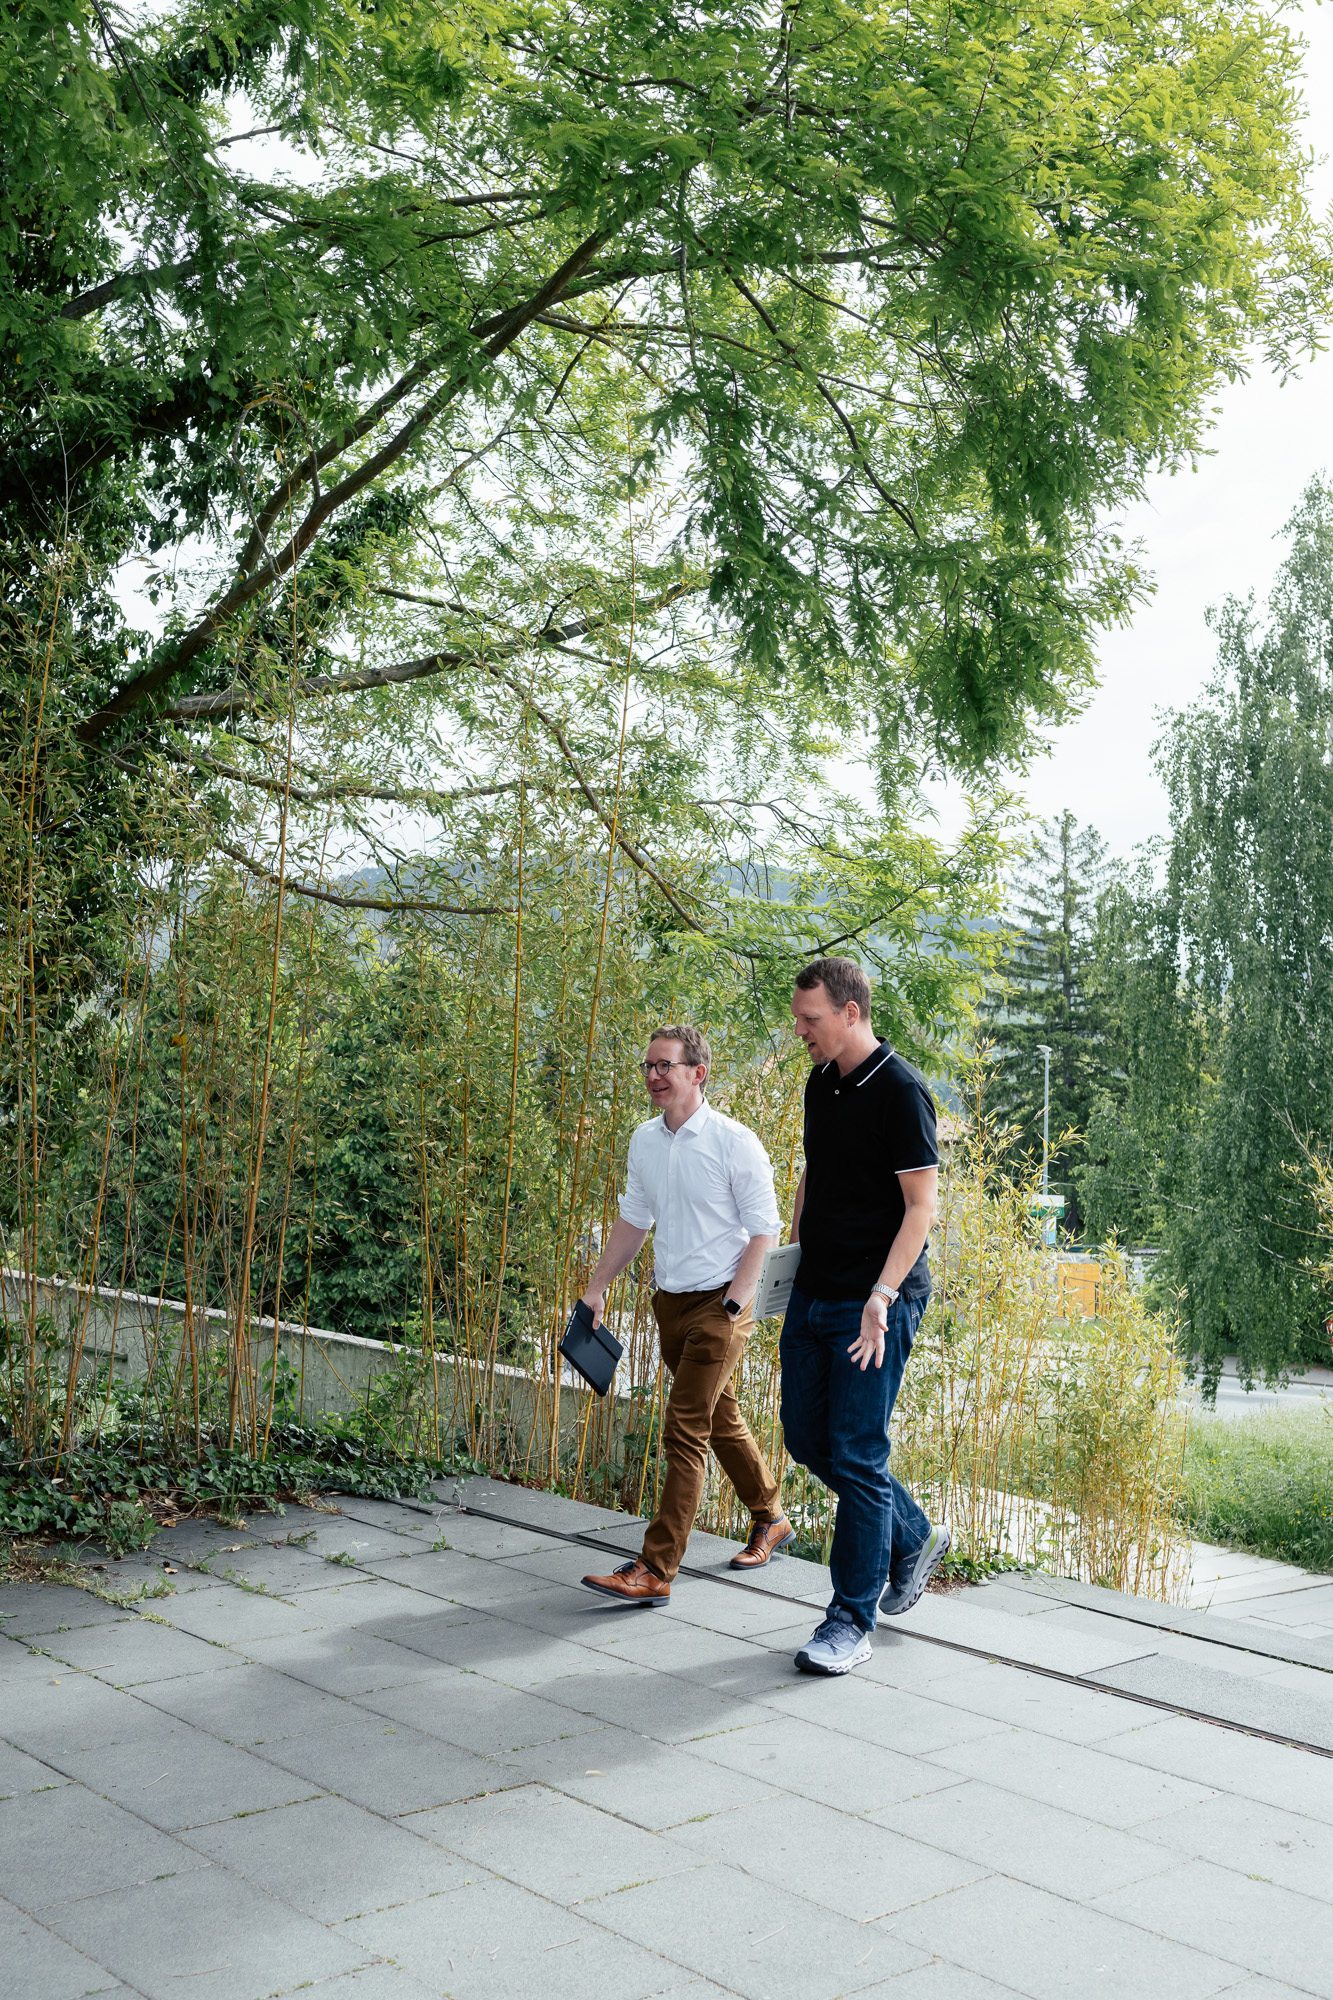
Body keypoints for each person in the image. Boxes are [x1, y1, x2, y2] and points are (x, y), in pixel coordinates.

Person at [578, 1025, 794, 1605]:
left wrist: (734, 1303)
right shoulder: (645, 1140)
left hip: (721, 1305)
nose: (653, 1076)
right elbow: (634, 1220)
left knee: (685, 1428)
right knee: (719, 1417)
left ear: (698, 1074)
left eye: (665, 1066)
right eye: (648, 1066)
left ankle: (656, 1568)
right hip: (669, 1304)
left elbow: (764, 1229)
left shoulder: (734, 1142)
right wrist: (597, 1287)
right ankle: (771, 1516)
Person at [781, 958, 950, 1675]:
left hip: (875, 1301)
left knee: (855, 1451)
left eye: (810, 1019)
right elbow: (813, 1174)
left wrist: (880, 1297)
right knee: (804, 1437)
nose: (801, 1031)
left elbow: (921, 1209)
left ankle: (850, 1621)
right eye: (798, 1019)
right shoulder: (820, 1082)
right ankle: (911, 1535)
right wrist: (789, 1258)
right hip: (813, 1290)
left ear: (850, 1012)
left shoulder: (902, 1092)